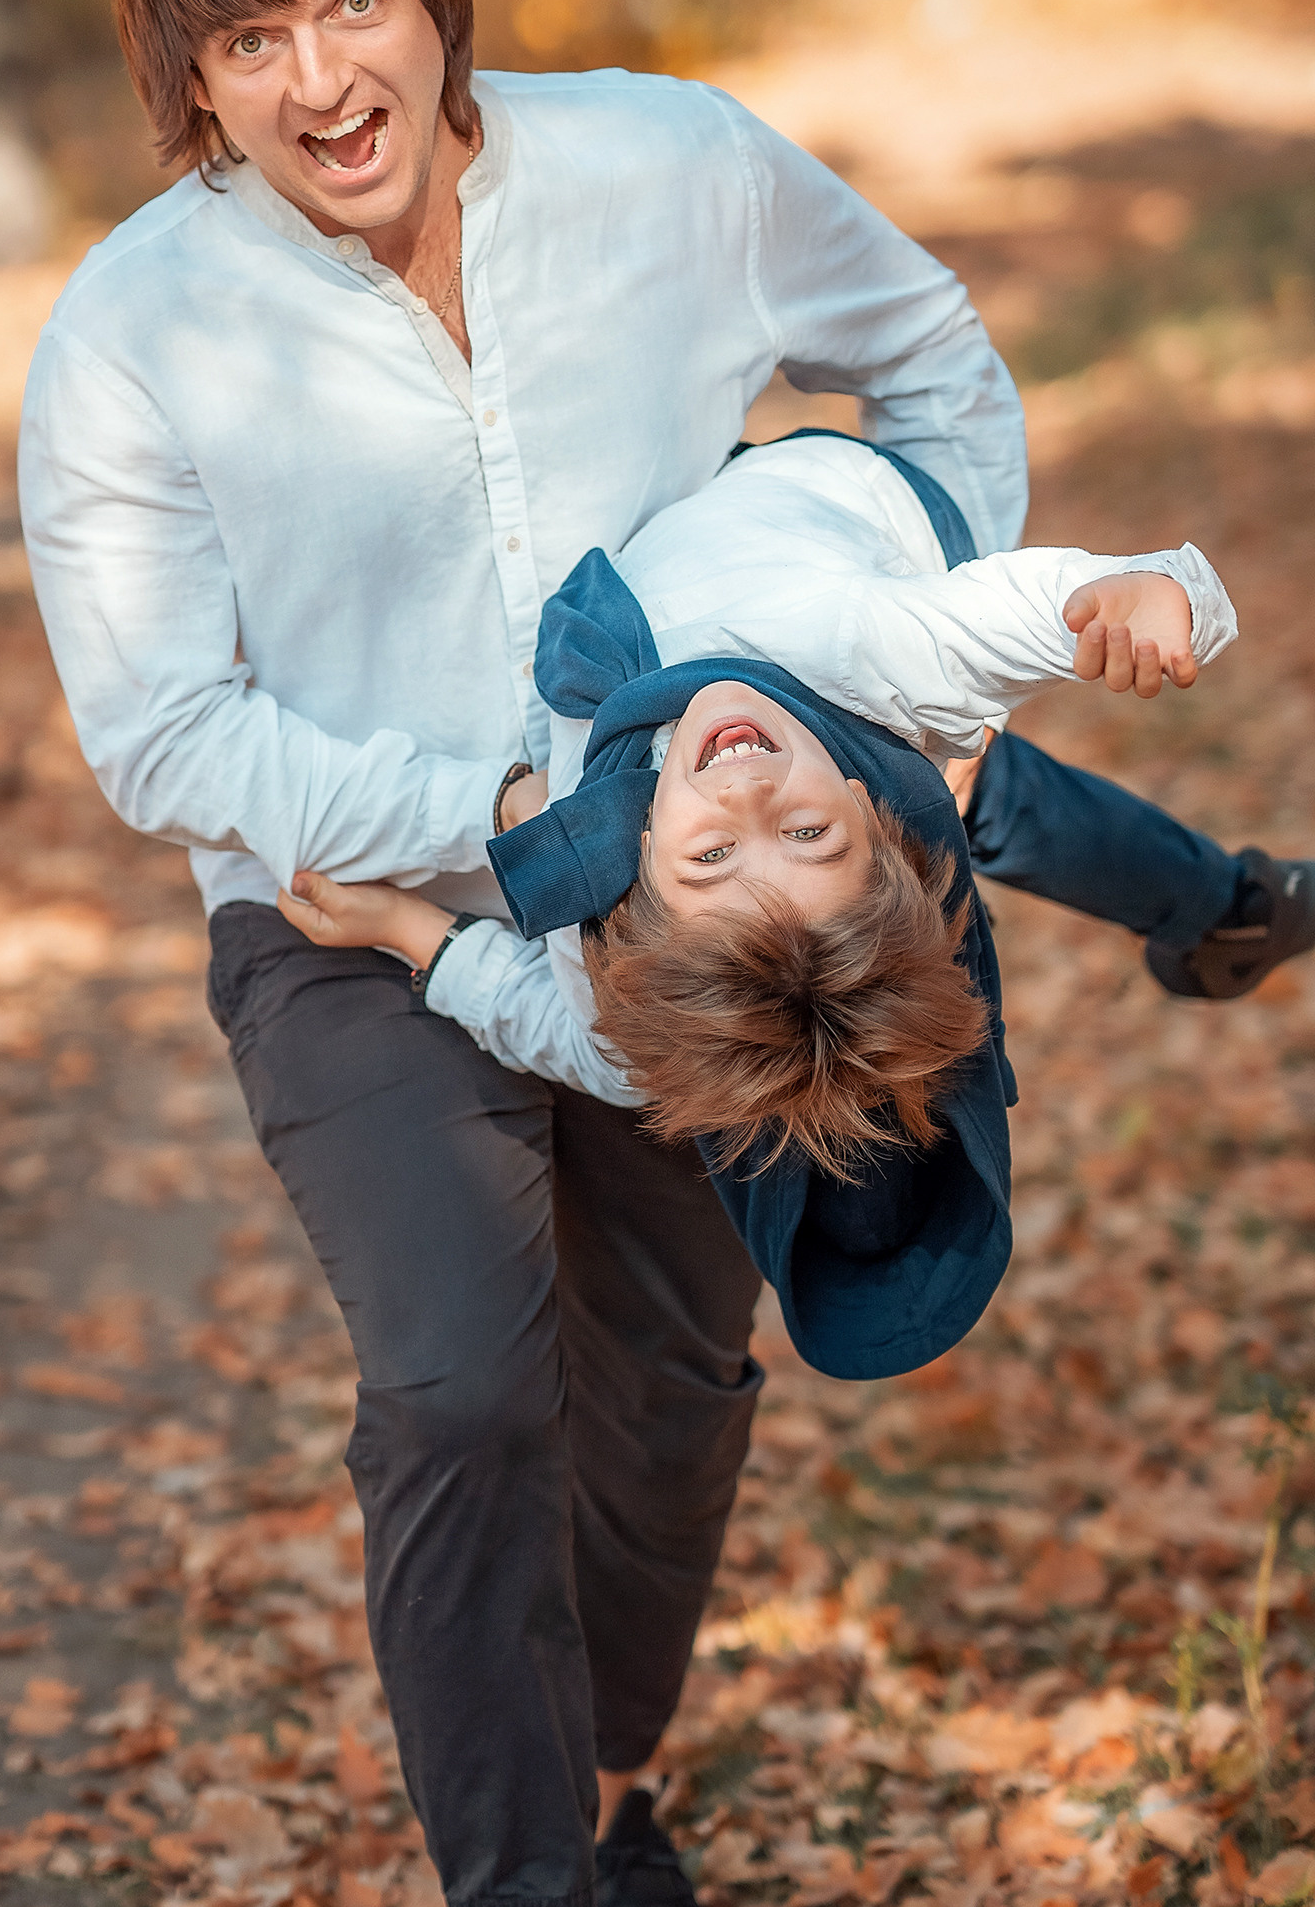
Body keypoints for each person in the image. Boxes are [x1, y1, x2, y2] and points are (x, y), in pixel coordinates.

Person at [19, 0, 1034, 1907]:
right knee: (462, 1388)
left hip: (691, 904)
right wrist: (487, 815)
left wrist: (912, 682)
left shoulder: (668, 168)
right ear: (187, 76)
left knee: (673, 1384)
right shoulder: (135, 332)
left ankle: (603, 1789)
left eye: (353, 2)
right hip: (347, 911)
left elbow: (924, 351)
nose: (319, 79)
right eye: (248, 41)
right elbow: (162, 730)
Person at [280, 427, 1309, 1391]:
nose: (745, 792)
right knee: (961, 782)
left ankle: (1218, 913)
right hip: (855, 506)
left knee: (954, 802)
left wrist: (415, 934)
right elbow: (1020, 614)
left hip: (810, 713)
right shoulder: (876, 649)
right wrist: (1142, 593)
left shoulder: (616, 957)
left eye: (711, 856)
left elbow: (554, 1030)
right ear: (870, 809)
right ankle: (1217, 906)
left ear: (638, 872)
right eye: (807, 834)